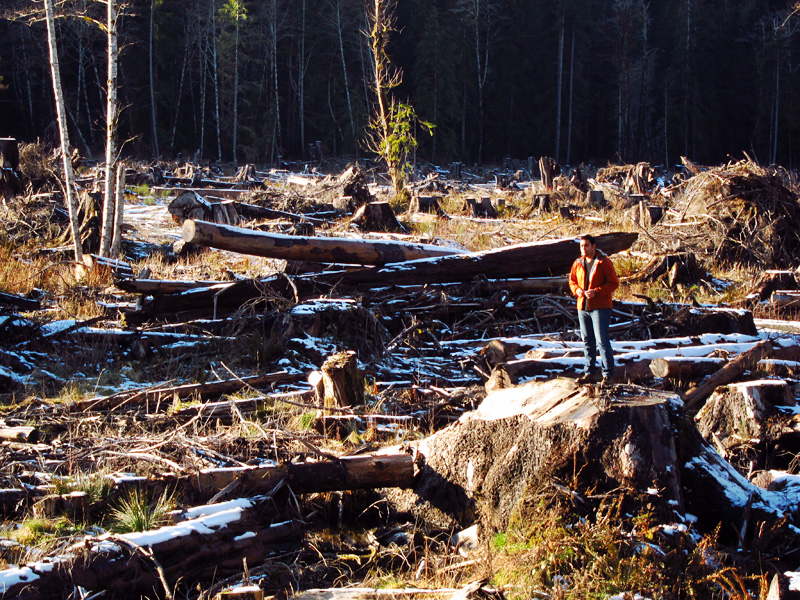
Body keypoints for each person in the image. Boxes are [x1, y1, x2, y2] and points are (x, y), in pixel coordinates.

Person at [568, 234, 619, 385]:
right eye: (581, 246)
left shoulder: (604, 262)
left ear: (594, 246)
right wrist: (576, 290)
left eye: (586, 245)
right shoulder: (578, 262)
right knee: (587, 341)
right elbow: (572, 281)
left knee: (602, 341)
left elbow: (613, 283)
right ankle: (589, 372)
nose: (583, 248)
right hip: (582, 307)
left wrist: (597, 291)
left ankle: (608, 374)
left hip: (600, 307)